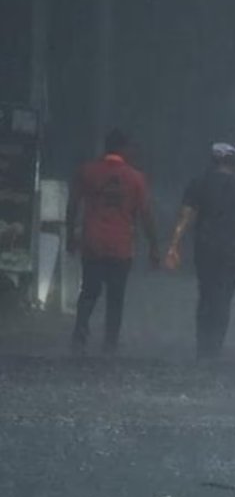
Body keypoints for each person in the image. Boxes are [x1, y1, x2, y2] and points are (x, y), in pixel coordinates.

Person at [164, 143, 235, 361]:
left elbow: (184, 217)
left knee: (206, 294)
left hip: (205, 249)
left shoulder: (198, 184)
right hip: (234, 251)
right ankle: (215, 347)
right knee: (224, 298)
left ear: (213, 161)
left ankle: (203, 346)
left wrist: (173, 246)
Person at [66, 129, 160, 355]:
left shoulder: (86, 171)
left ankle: (80, 334)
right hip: (121, 246)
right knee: (116, 296)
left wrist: (70, 235)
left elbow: (73, 205)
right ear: (123, 149)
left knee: (88, 291)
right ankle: (110, 341)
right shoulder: (136, 178)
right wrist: (154, 245)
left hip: (92, 242)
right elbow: (146, 214)